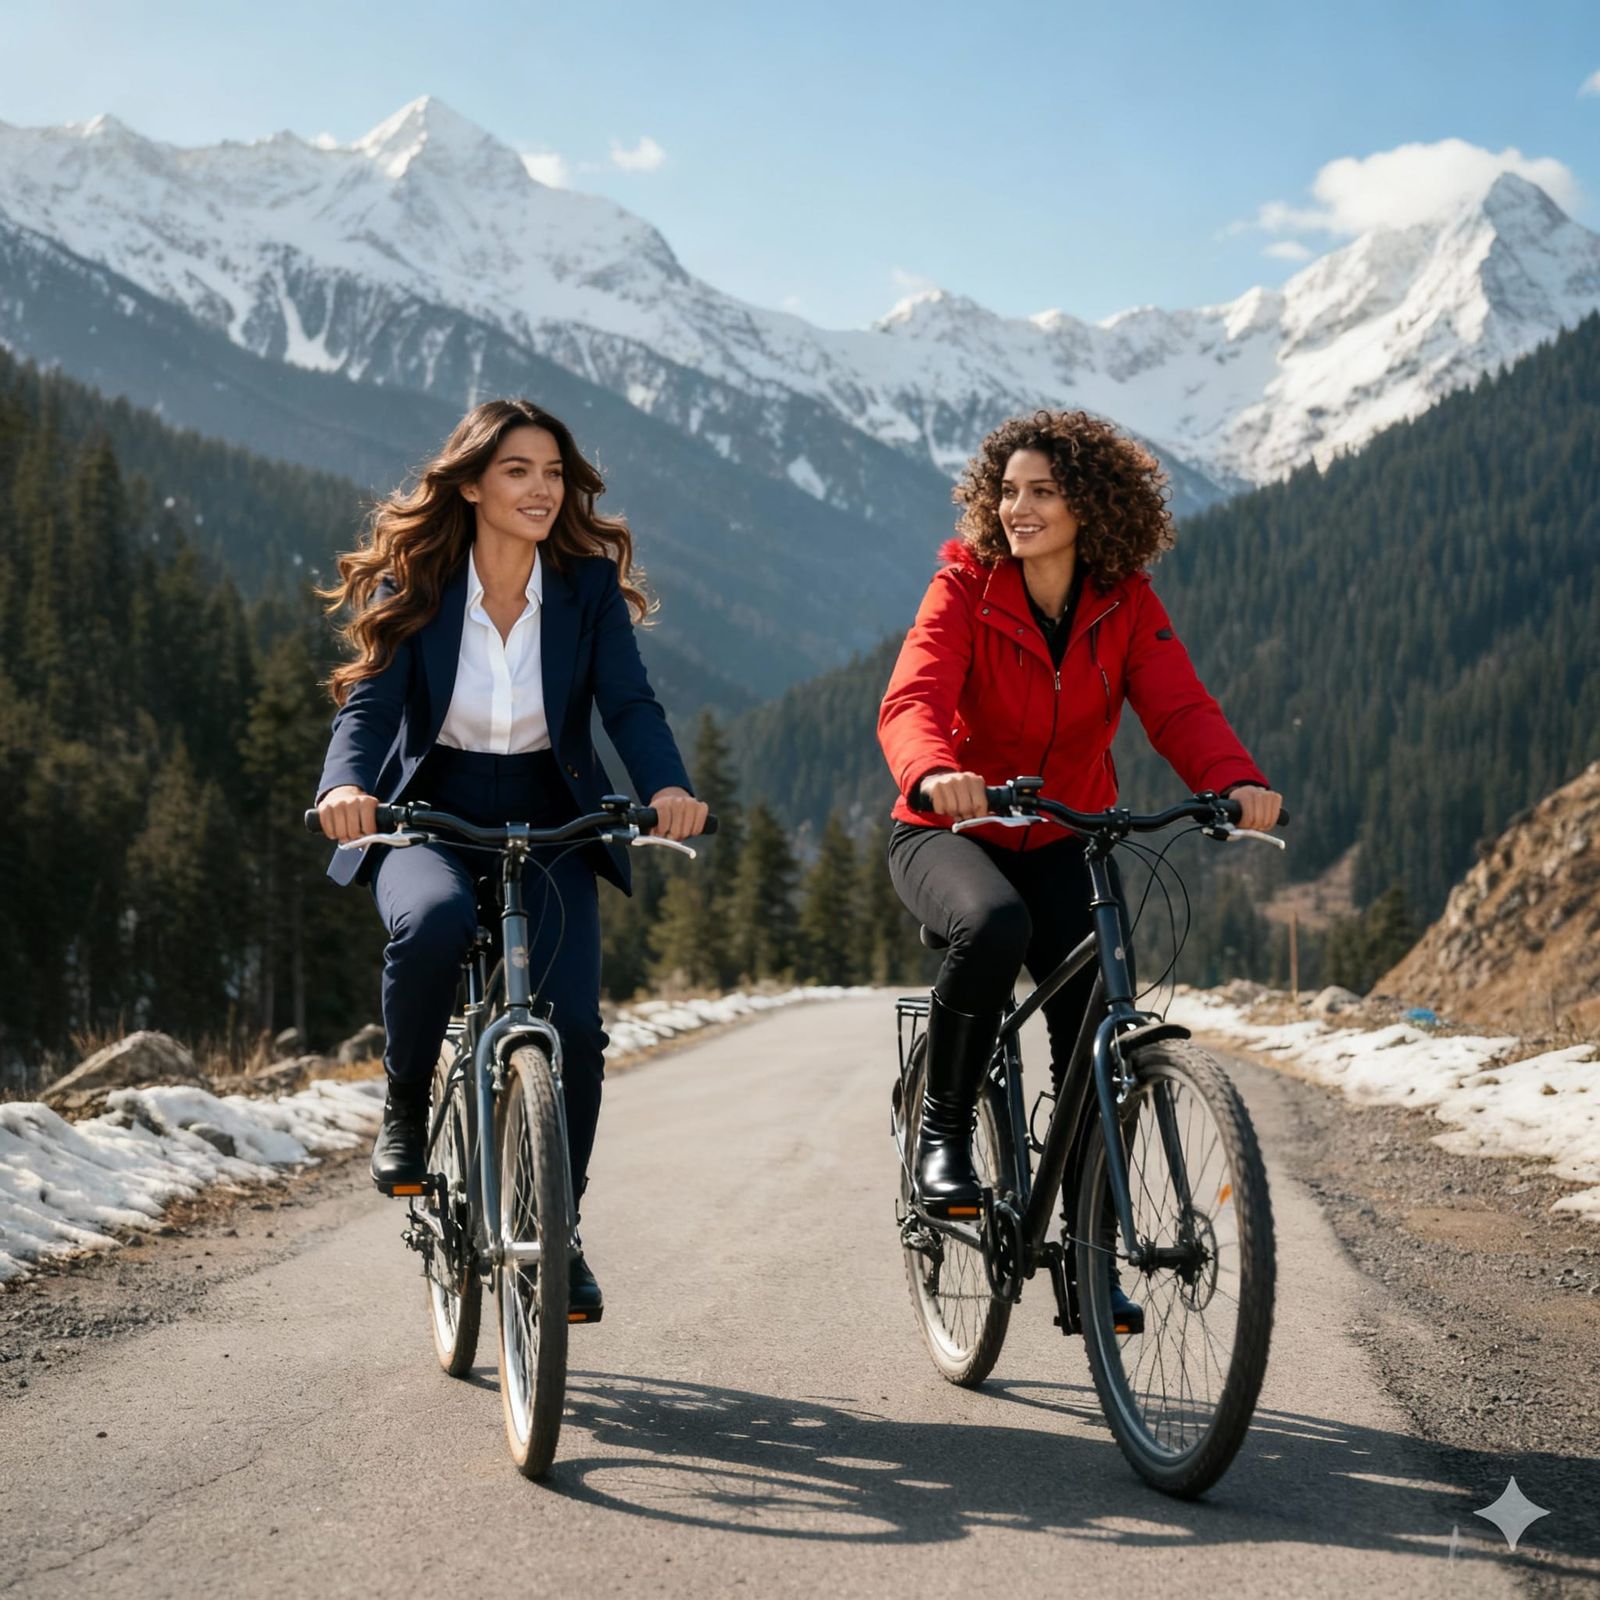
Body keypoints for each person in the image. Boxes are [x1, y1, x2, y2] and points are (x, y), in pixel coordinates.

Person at [877, 410, 1282, 1316]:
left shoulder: (1124, 601)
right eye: (1007, 491)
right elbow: (914, 696)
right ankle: (943, 1134)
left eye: (1043, 492)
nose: (1017, 508)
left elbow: (1179, 708)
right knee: (994, 924)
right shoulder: (964, 586)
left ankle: (1090, 1258)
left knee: (1099, 1027)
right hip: (947, 831)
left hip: (1066, 836)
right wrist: (934, 771)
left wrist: (1235, 782)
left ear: (1091, 505)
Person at [314, 398, 707, 1320]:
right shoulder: (417, 579)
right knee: (434, 922)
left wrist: (668, 787)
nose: (542, 490)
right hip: (427, 812)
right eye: (518, 471)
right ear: (471, 485)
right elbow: (370, 707)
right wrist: (346, 787)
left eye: (554, 473)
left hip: (552, 814)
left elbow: (629, 704)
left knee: (576, 1035)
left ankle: (558, 1229)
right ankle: (406, 1108)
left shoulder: (585, 588)